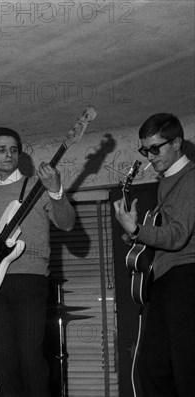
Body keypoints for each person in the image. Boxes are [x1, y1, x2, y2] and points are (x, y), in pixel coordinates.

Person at [0, 127, 76, 397]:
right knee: (4, 360)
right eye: (1, 149)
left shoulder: (37, 185)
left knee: (30, 356)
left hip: (31, 280)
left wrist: (56, 191)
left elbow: (67, 223)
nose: (8, 154)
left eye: (13, 149)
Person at [113, 113, 195, 396]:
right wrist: (135, 233)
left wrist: (137, 230)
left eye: (155, 148)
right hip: (167, 279)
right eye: (144, 149)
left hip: (186, 276)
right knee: (153, 367)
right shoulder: (166, 182)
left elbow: (177, 235)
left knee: (185, 369)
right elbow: (164, 231)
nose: (149, 155)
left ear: (176, 143)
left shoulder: (190, 179)